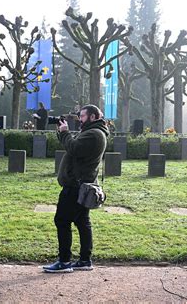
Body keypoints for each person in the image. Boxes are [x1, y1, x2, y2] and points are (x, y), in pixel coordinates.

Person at [43, 104, 109, 273]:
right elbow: (73, 147)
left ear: (93, 117)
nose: (80, 119)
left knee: (62, 220)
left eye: (83, 116)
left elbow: (73, 148)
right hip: (82, 185)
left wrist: (65, 132)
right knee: (82, 222)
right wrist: (62, 133)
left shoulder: (94, 134)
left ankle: (64, 262)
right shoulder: (93, 132)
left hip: (75, 186)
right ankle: (85, 260)